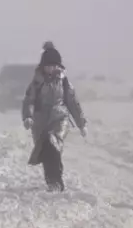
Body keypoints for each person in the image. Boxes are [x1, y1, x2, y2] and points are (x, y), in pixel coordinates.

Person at [22, 41, 87, 191]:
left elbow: (72, 102)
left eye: (54, 65)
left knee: (54, 143)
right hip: (40, 122)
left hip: (60, 118)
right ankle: (51, 181)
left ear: (58, 65)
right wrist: (28, 116)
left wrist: (81, 123)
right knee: (45, 151)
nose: (51, 68)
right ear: (43, 66)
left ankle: (57, 181)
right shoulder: (37, 83)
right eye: (48, 65)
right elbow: (29, 100)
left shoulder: (63, 82)